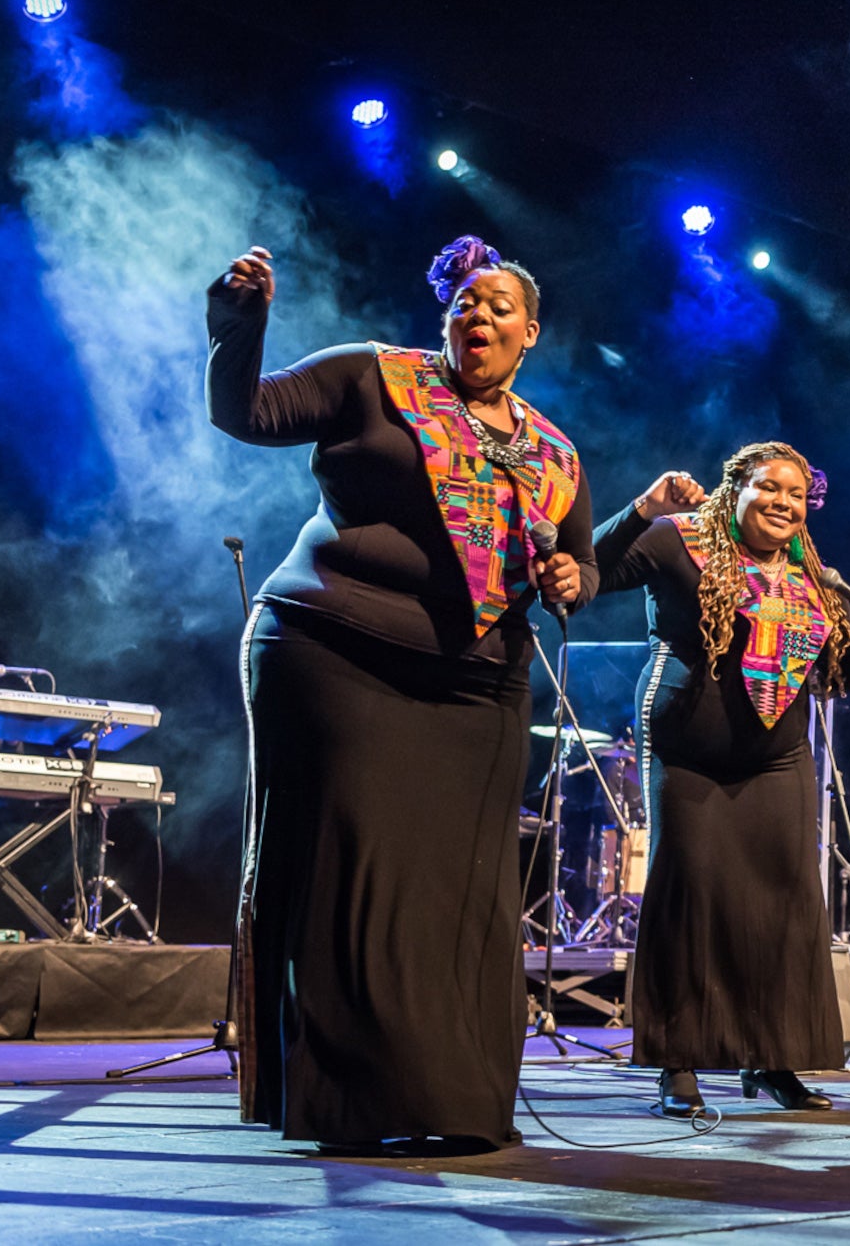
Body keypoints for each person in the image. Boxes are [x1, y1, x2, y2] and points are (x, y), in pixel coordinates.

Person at [209, 236, 596, 1155]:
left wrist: (571, 578)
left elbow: (575, 557)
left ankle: (450, 1096)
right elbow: (247, 413)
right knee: (357, 874)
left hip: (476, 683)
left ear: (530, 332)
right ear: (444, 315)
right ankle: (351, 1101)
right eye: (466, 299)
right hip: (333, 649)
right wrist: (238, 329)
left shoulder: (553, 450)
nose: (480, 313)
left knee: (460, 894)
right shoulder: (371, 376)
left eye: (501, 305)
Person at [593, 441, 850, 1115]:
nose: (785, 502)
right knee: (689, 894)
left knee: (785, 902)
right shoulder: (679, 541)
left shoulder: (814, 578)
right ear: (736, 491)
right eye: (771, 487)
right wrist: (644, 508)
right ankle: (678, 1064)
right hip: (686, 749)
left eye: (797, 493)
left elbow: (836, 681)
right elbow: (594, 571)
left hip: (777, 757)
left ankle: (773, 1057)